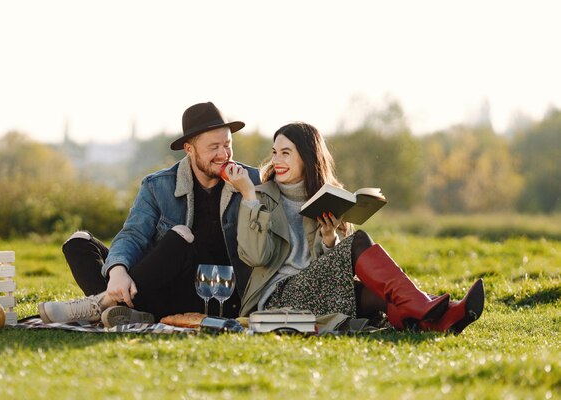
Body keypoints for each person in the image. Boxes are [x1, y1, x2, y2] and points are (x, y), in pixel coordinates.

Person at [224, 122, 484, 334]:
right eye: (274, 152)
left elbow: (332, 270)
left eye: (286, 153)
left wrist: (329, 241)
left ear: (306, 156)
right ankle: (430, 307)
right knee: (358, 241)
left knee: (374, 295)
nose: (277, 160)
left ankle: (442, 321)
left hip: (319, 292)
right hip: (278, 298)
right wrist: (248, 196)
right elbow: (256, 257)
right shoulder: (259, 197)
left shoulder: (325, 198)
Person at [39, 102, 261, 326]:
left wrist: (247, 192)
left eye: (227, 144)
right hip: (160, 287)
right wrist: (117, 270)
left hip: (217, 294)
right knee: (78, 243)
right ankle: (125, 311)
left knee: (181, 235)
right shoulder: (158, 185)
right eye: (214, 147)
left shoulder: (252, 181)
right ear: (189, 149)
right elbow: (134, 235)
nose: (224, 154)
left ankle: (103, 303)